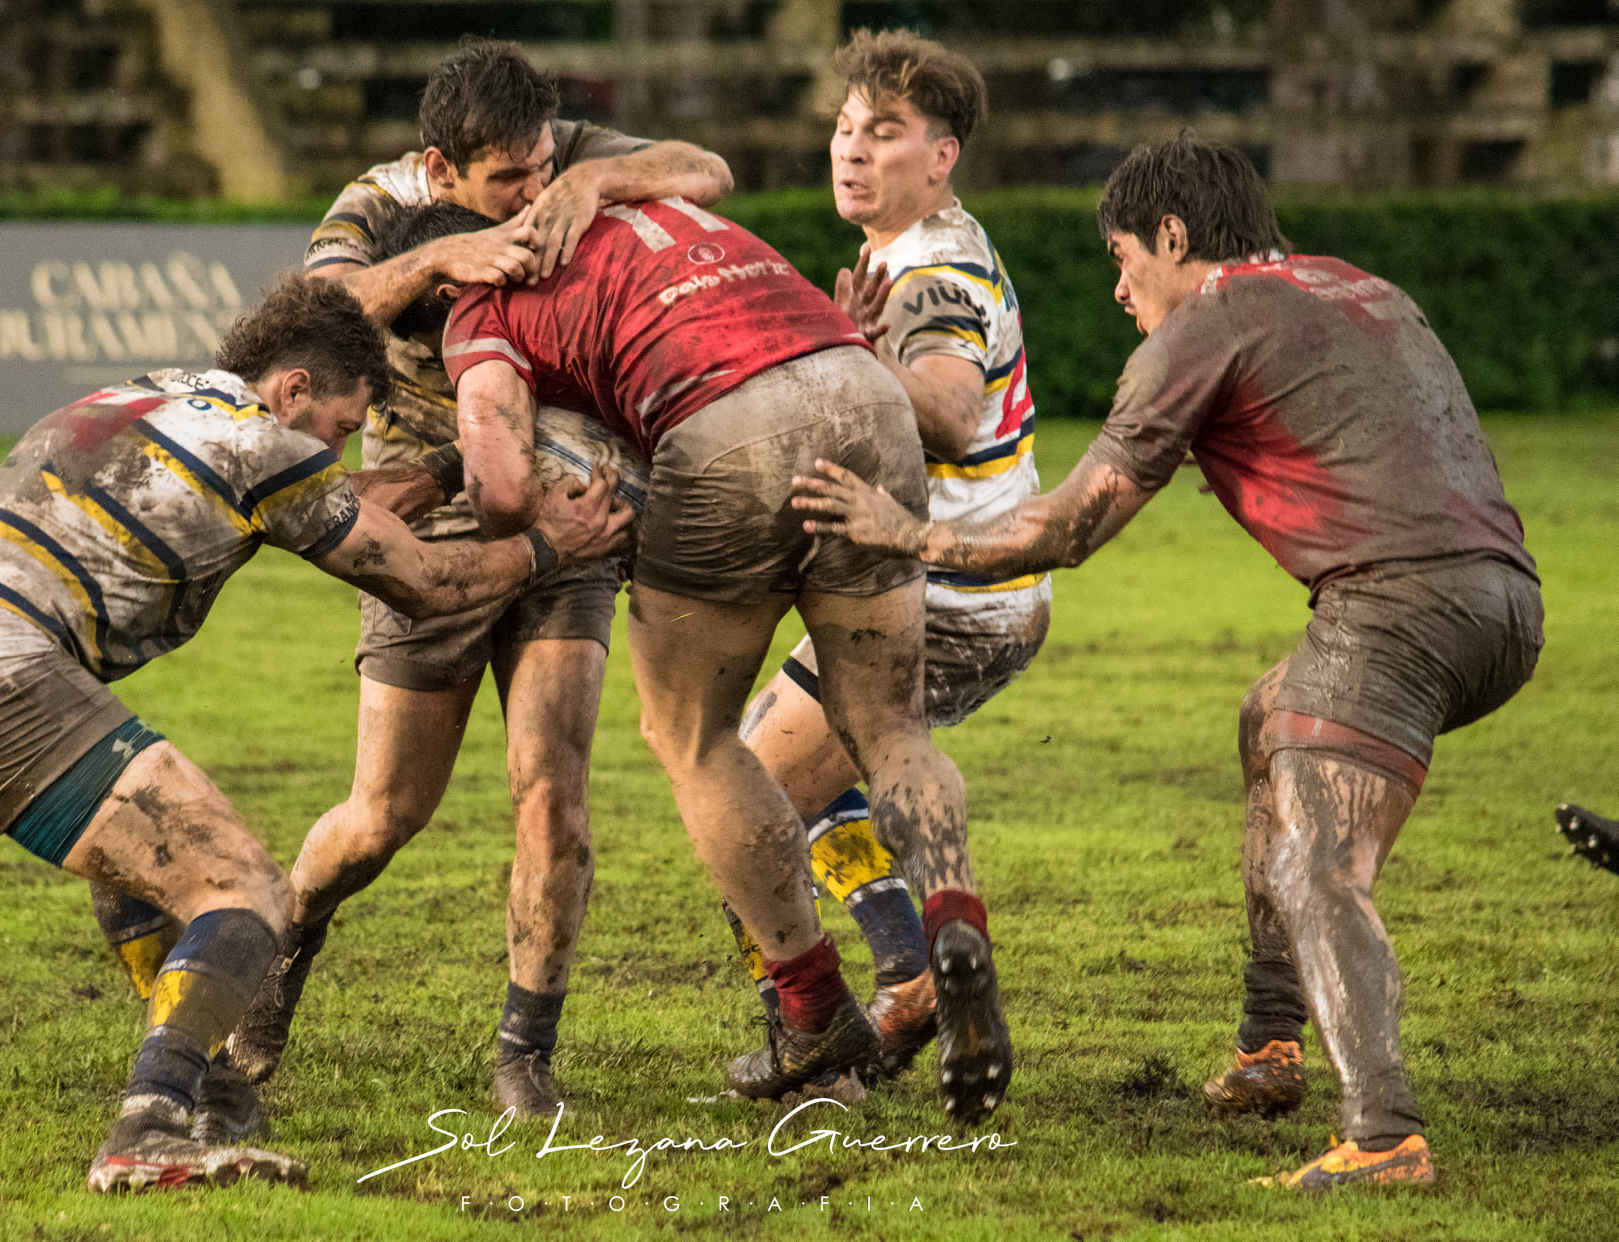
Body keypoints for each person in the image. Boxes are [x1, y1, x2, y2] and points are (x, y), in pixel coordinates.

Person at [791, 132, 1543, 1187]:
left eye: (1122, 258)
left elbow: (1061, 531)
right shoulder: (1358, 288)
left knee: (1318, 864)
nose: (1118, 288)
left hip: (1395, 609)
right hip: (1509, 602)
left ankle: (1384, 1136)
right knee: (1266, 719)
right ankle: (1268, 1043)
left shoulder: (1207, 319)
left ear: (1175, 236)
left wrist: (902, 531)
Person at [0, 274, 629, 1193]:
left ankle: (209, 1085)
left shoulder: (154, 395)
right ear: (291, 388)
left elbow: (334, 504)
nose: (335, 448)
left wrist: (453, 466)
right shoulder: (265, 445)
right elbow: (425, 584)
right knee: (248, 888)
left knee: (142, 863)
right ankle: (150, 1126)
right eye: (337, 425)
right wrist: (549, 548)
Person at [187, 38, 731, 1119]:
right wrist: (444, 261)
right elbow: (317, 313)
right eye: (505, 183)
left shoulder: (560, 157)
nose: (528, 199)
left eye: (538, 170)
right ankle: (285, 952)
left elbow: (705, 169)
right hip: (428, 527)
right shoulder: (376, 203)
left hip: (565, 512)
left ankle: (524, 1055)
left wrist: (591, 177)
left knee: (554, 793)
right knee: (384, 815)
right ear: (440, 172)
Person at [400, 189, 1016, 1126]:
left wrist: (536, 518)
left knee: (692, 735)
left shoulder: (477, 304)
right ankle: (951, 922)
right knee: (888, 725)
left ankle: (811, 1012)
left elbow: (501, 483)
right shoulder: (635, 205)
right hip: (857, 384)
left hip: (729, 428)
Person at [722, 28, 1051, 1088]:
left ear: (942, 155)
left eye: (887, 132)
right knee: (827, 777)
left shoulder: (931, 273)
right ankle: (922, 961)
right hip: (991, 587)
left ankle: (816, 1021)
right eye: (846, 126)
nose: (852, 150)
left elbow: (951, 412)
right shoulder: (916, 252)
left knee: (739, 786)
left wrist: (849, 349)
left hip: (944, 583)